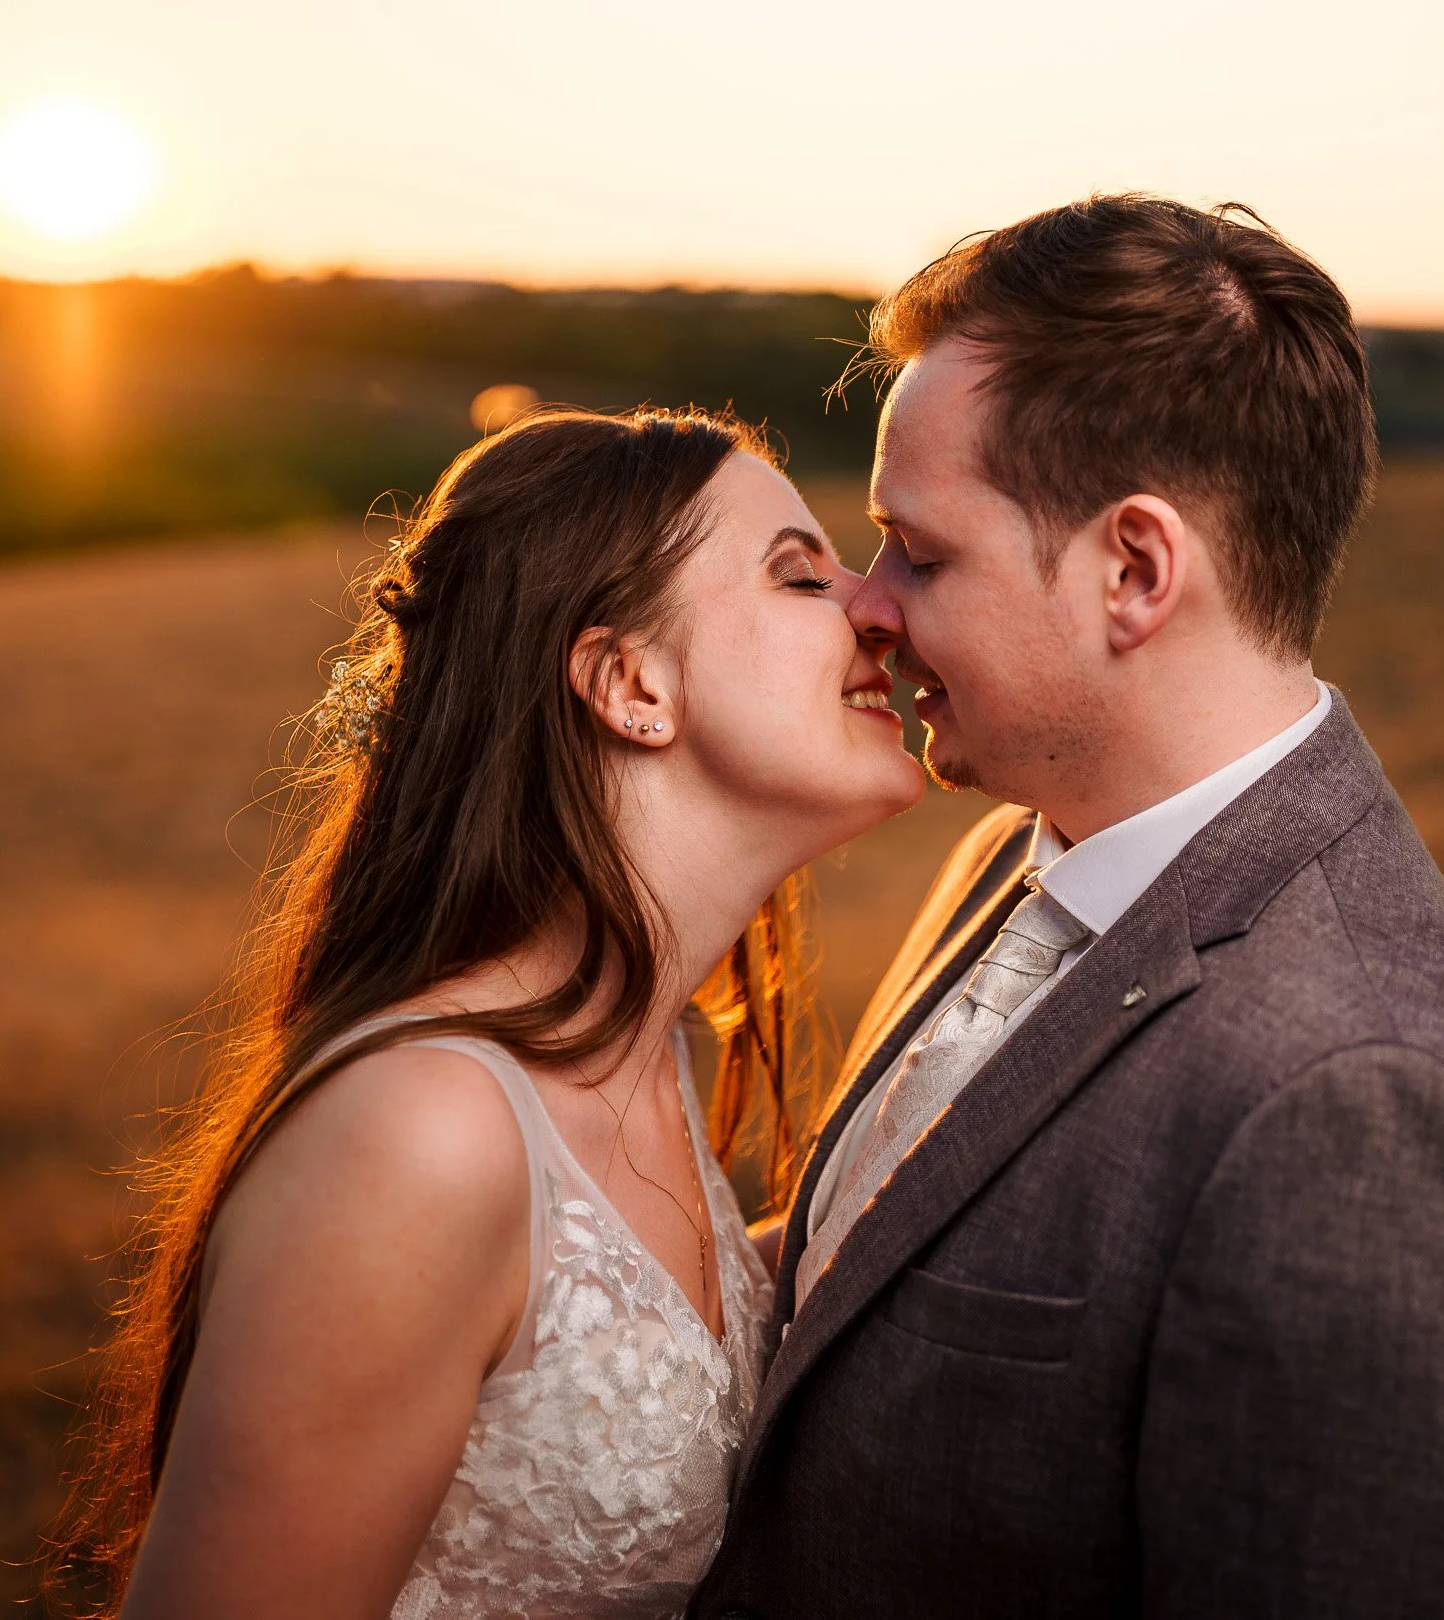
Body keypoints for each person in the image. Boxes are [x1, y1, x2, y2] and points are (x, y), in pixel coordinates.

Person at [692, 197, 1444, 1619]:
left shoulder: (1368, 1111)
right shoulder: (1014, 845)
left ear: (1134, 570)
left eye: (920, 554)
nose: (864, 607)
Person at [60, 408, 925, 1620]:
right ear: (631, 683)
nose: (877, 607)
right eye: (799, 573)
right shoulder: (422, 1133)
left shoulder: (655, 1055)